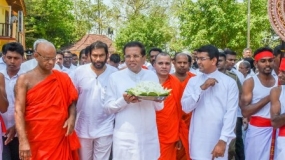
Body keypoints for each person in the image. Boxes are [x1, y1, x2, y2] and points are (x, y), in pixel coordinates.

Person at [14, 41, 80, 160]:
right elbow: (19, 111)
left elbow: (72, 101)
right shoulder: (24, 80)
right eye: (46, 58)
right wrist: (23, 141)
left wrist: (71, 117)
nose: (51, 62)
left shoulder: (62, 78)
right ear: (36, 56)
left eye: (53, 59)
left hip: (60, 136)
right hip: (36, 138)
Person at [104, 41, 163, 160]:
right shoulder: (115, 78)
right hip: (125, 137)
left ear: (143, 58)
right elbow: (108, 108)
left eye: (136, 56)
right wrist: (124, 100)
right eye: (128, 56)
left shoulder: (151, 76)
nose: (131, 59)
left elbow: (160, 107)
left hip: (148, 136)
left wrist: (158, 99)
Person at [181, 45, 238, 160]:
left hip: (219, 137)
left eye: (202, 59)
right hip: (198, 138)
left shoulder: (229, 83)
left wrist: (223, 140)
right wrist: (201, 88)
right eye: (197, 59)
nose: (198, 62)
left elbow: (231, 113)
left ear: (213, 60)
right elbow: (186, 107)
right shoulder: (193, 81)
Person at [72, 41, 117, 160]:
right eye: (95, 55)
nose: (98, 59)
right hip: (82, 126)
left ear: (107, 55)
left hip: (106, 127)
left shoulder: (115, 74)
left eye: (101, 55)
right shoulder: (79, 72)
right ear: (89, 56)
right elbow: (72, 98)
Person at [240, 47, 277, 160]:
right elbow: (245, 111)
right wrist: (269, 97)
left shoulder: (279, 81)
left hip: (277, 129)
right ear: (256, 63)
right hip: (257, 131)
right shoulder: (250, 82)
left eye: (270, 60)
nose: (267, 64)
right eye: (263, 61)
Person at [153, 53, 189, 160]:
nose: (164, 66)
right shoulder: (148, 82)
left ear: (171, 65)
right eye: (160, 63)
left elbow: (179, 112)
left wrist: (178, 135)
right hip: (150, 131)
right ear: (154, 65)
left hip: (170, 134)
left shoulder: (176, 83)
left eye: (167, 63)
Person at [0, 42, 24, 160]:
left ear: (22, 59)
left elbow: (30, 106)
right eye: (9, 57)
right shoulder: (0, 76)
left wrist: (16, 126)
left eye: (16, 58)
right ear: (4, 57)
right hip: (1, 131)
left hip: (20, 132)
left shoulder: (26, 78)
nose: (12, 61)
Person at [172, 53, 195, 160]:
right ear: (174, 63)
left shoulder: (195, 80)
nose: (182, 65)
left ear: (189, 64)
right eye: (179, 62)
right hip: (173, 123)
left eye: (185, 63)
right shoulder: (168, 79)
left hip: (192, 123)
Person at [270, 58, 285, 160]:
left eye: (284, 72)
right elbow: (275, 122)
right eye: (280, 71)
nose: (279, 75)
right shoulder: (277, 91)